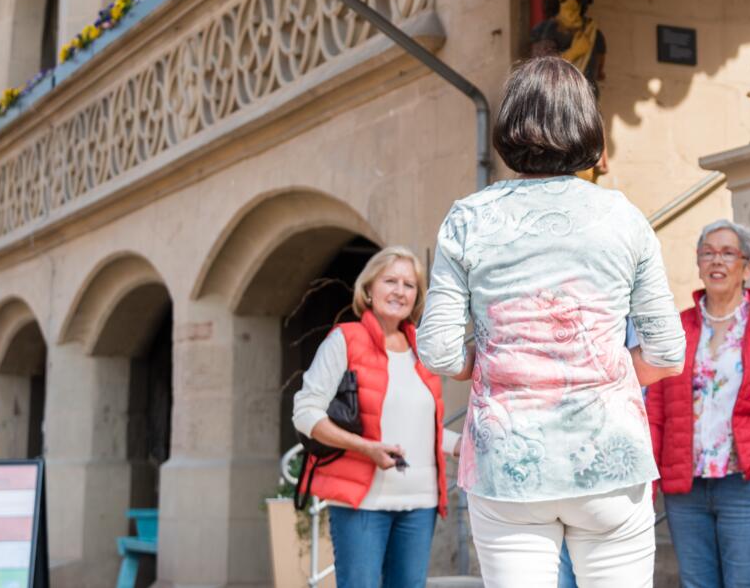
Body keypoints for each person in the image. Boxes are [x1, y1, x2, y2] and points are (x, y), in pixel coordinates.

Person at [418, 56, 686, 588]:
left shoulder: (469, 218)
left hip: (508, 462)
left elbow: (440, 351)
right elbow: (666, 352)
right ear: (586, 123)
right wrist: (602, 370)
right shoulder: (624, 217)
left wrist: (491, 363)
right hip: (608, 456)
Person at [644, 220, 750, 588]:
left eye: (728, 253)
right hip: (685, 487)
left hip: (746, 484)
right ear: (699, 264)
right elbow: (656, 410)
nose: (716, 260)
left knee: (745, 582)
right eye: (708, 253)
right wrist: (651, 477)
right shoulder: (677, 328)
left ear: (747, 267)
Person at [292, 246, 451, 588]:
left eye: (409, 285)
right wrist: (365, 447)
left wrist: (466, 443)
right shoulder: (345, 339)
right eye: (390, 281)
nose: (400, 291)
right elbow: (305, 412)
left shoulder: (423, 350)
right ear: (368, 289)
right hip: (362, 502)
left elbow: (428, 429)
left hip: (420, 503)